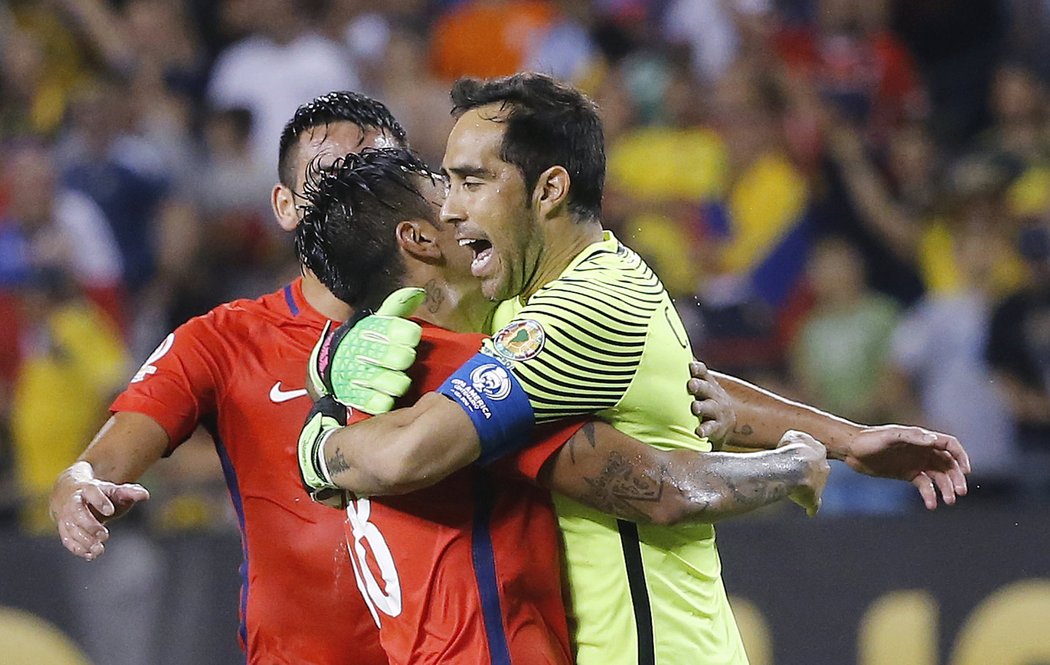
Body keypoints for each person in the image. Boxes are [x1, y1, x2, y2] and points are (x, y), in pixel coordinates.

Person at [301, 73, 969, 664]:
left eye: (473, 181)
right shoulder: (555, 292)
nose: (450, 207)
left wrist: (319, 440)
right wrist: (848, 438)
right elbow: (691, 390)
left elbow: (409, 455)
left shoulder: (581, 312)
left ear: (550, 188)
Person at [295, 146, 831, 665]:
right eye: (448, 194)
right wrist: (795, 465)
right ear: (420, 239)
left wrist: (321, 430)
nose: (464, 207)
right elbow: (661, 488)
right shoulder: (463, 371)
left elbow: (657, 381)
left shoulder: (363, 374)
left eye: (470, 186)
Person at [47, 91, 403, 665]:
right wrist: (78, 485)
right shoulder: (224, 340)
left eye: (376, 174)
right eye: (331, 176)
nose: (355, 195)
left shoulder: (470, 330)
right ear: (285, 205)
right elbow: (106, 457)